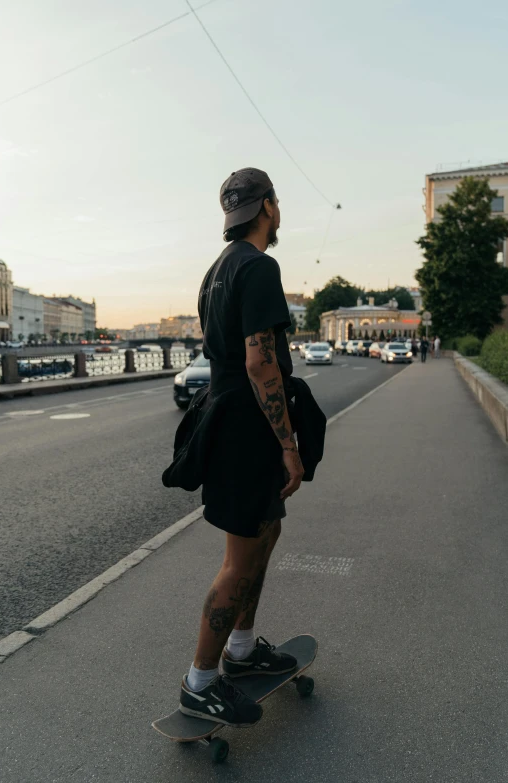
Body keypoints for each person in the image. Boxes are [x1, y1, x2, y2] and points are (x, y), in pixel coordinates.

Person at [166, 168, 324, 729]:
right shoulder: (259, 266)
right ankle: (201, 683)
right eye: (275, 205)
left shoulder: (216, 271)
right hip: (246, 427)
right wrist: (289, 445)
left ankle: (242, 648)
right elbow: (260, 360)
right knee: (239, 561)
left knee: (266, 531)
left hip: (229, 416)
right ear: (271, 208)